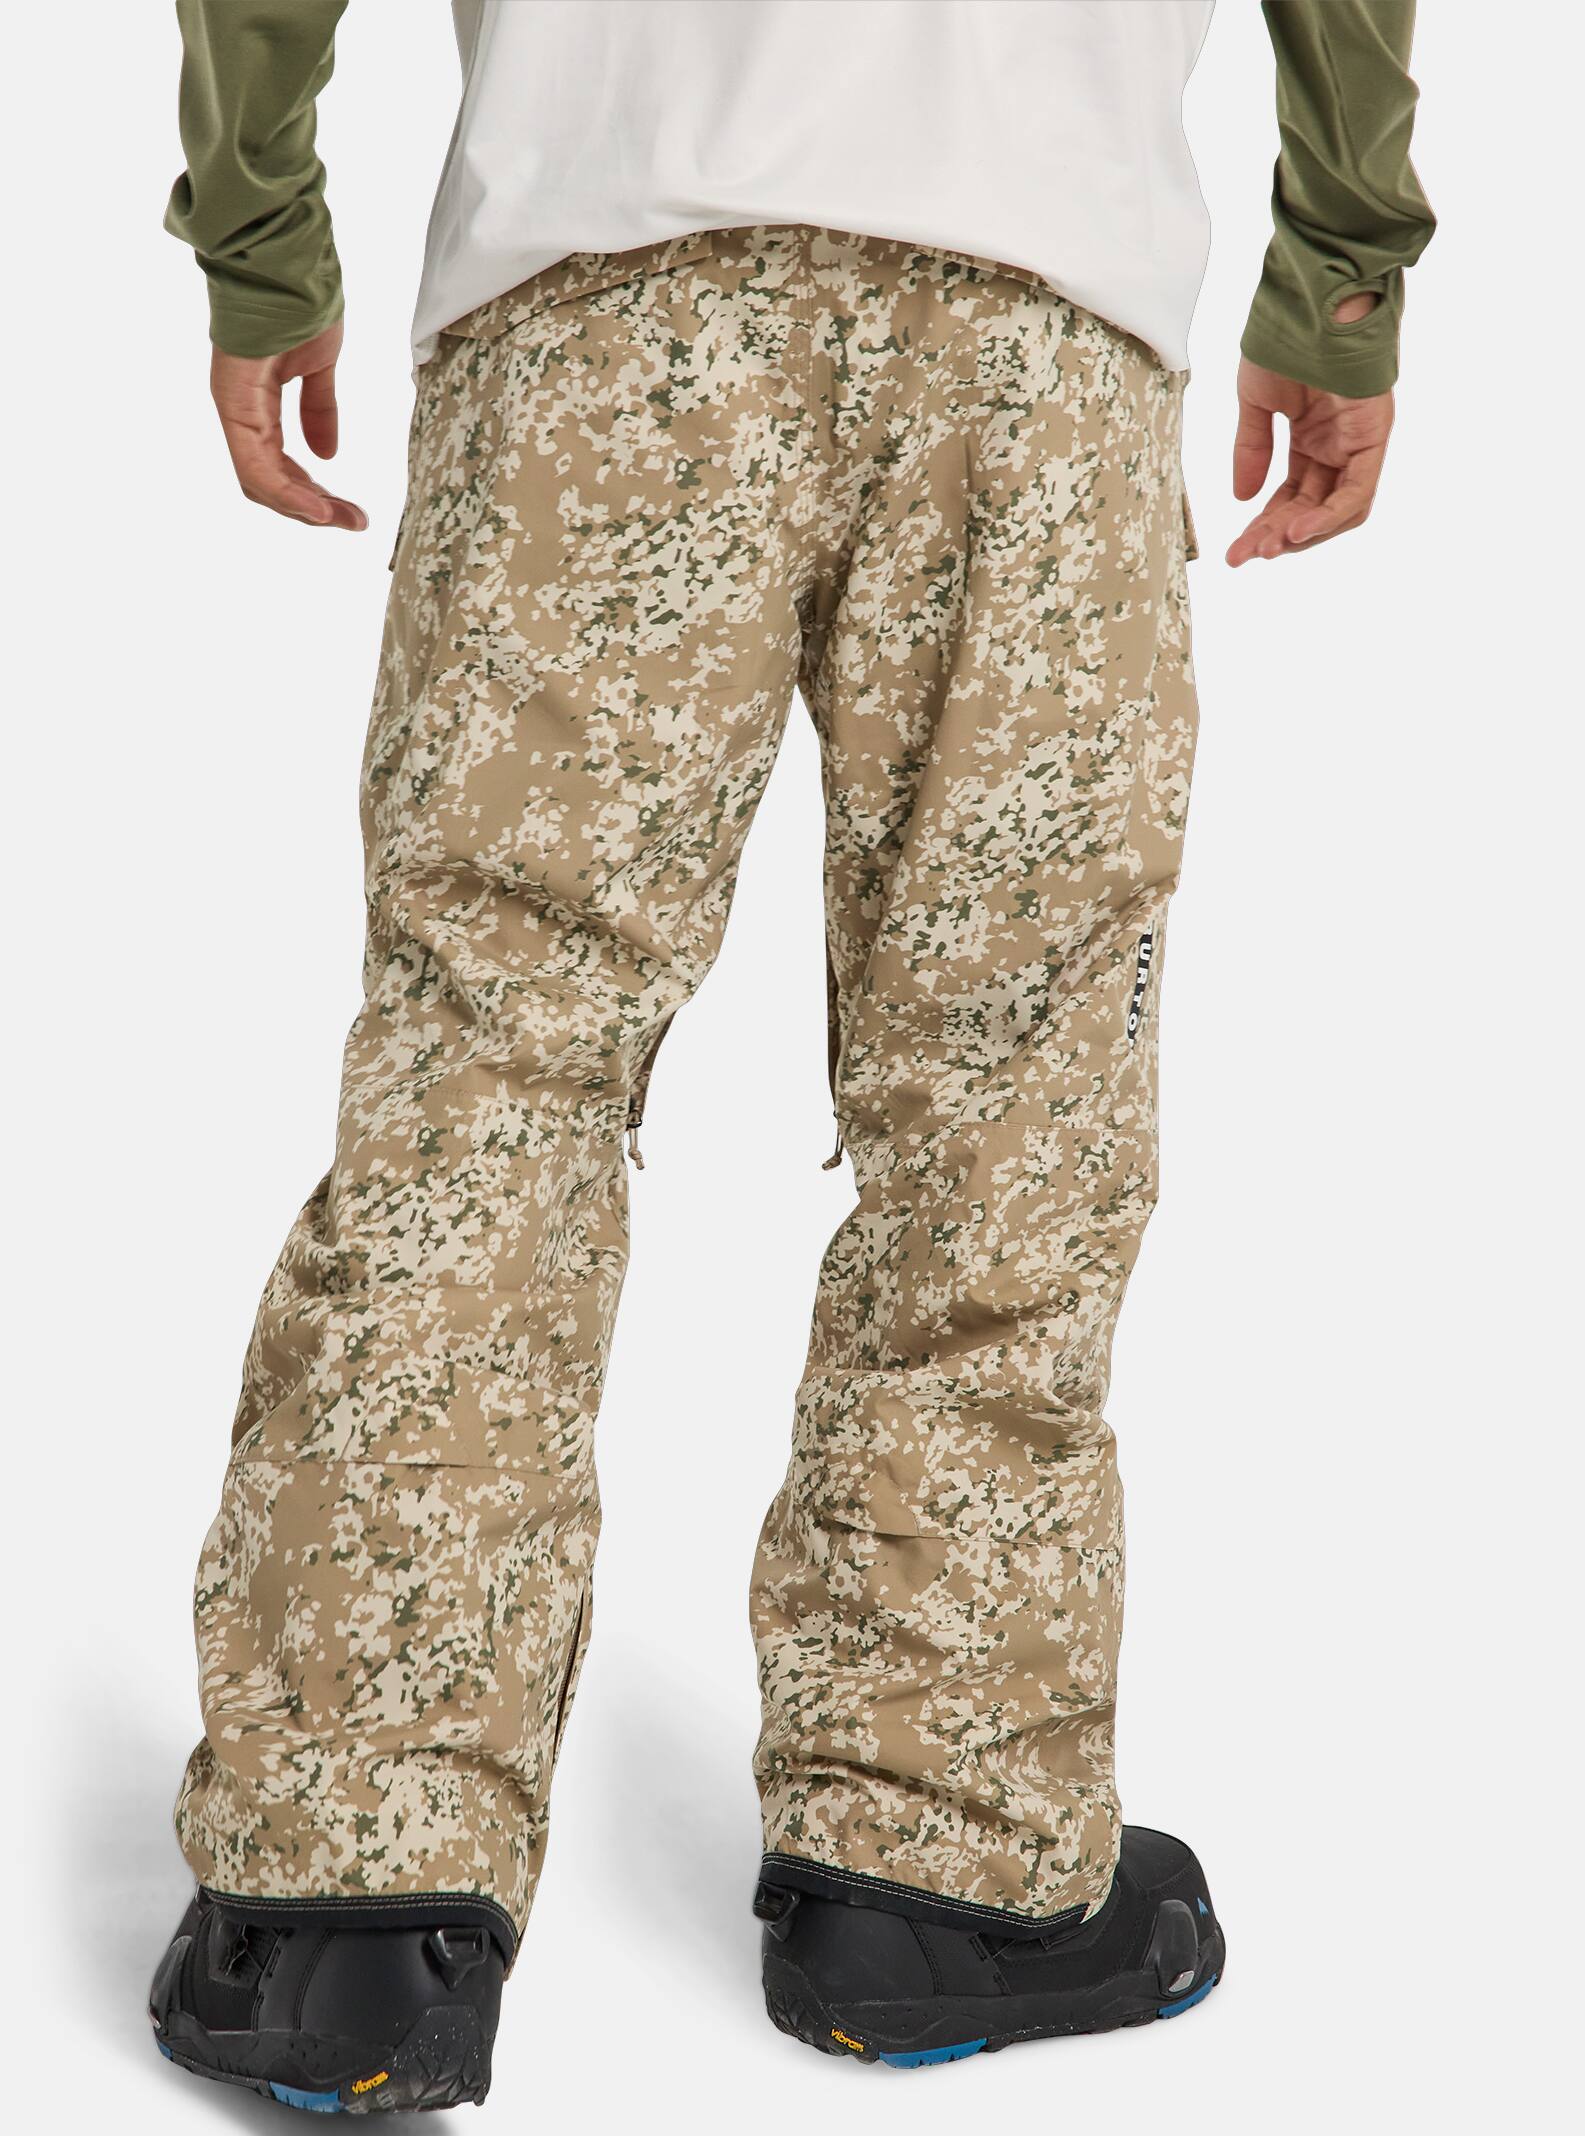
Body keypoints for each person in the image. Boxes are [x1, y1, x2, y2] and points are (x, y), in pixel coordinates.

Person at [149, 0, 1433, 2111]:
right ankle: (935, 1866)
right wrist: (1344, 263)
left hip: (596, 290)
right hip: (1038, 306)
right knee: (1007, 1100)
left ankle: (348, 1897)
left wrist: (262, 229)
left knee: (491, 1063)